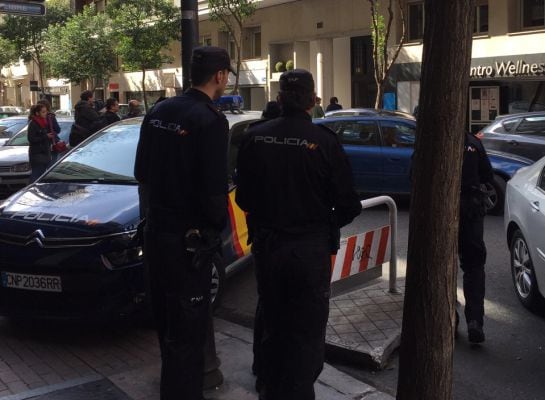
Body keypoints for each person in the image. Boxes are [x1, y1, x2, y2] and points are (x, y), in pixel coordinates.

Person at [235, 69, 362, 400]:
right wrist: (323, 221)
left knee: (273, 320)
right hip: (309, 250)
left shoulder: (255, 137)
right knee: (306, 330)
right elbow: (349, 205)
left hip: (268, 247)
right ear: (313, 101)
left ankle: (269, 385)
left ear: (279, 99)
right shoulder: (325, 142)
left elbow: (244, 198)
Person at [134, 46, 234, 400]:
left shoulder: (160, 110)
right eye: (227, 75)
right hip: (186, 244)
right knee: (188, 338)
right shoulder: (210, 120)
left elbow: (141, 171)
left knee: (167, 331)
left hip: (157, 236)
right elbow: (213, 190)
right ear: (219, 75)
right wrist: (213, 227)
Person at [458, 131, 493, 344]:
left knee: (442, 268)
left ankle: (449, 318)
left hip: (443, 213)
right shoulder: (473, 143)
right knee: (474, 267)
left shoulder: (432, 143)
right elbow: (487, 176)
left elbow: (413, 176)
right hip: (471, 212)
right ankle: (475, 321)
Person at [27, 104, 54, 183]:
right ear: (37, 113)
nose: (45, 113)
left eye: (46, 111)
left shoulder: (45, 122)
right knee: (37, 174)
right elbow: (31, 139)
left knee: (42, 175)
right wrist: (45, 136)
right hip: (37, 154)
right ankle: (32, 190)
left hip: (45, 152)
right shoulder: (33, 123)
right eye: (43, 112)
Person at [37, 98, 61, 165]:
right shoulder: (51, 116)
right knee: (52, 164)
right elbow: (58, 129)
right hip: (52, 143)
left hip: (39, 145)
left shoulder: (34, 118)